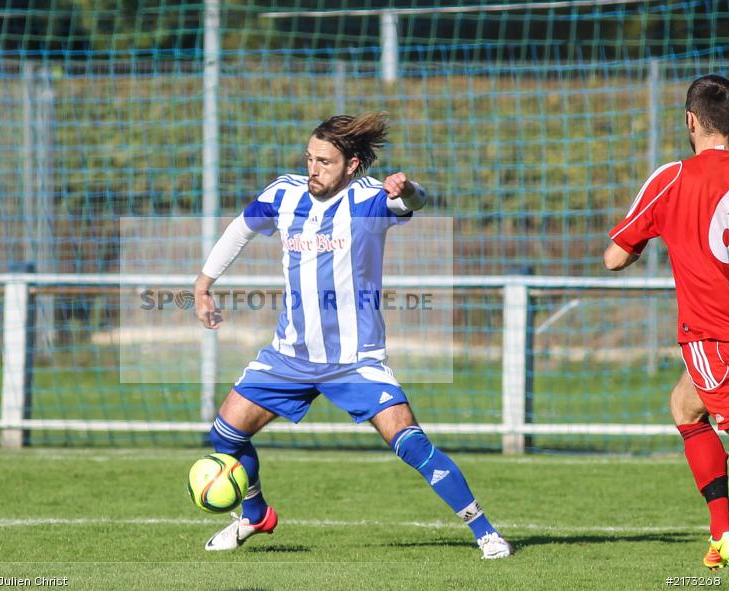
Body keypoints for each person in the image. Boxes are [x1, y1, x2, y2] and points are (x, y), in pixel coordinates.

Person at [193, 112, 512, 559]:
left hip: (355, 359)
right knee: (225, 434)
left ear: (352, 165)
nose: (313, 169)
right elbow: (240, 230)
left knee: (411, 442)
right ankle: (254, 514)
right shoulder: (284, 194)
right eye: (309, 158)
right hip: (290, 355)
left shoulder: (368, 200)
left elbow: (415, 203)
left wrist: (409, 188)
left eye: (324, 161)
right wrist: (203, 284)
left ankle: (486, 532)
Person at [605, 74, 729, 570]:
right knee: (685, 405)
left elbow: (614, 257)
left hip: (715, 336)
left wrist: (663, 234)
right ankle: (723, 533)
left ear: (690, 120)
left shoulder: (673, 178)